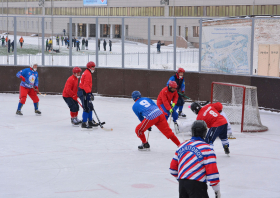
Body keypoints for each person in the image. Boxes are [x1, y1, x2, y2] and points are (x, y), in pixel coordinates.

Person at [169, 120, 221, 198]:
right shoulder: (207, 148)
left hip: (182, 185)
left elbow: (173, 169)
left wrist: (183, 180)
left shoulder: (182, 146)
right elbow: (212, 173)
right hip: (198, 186)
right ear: (204, 132)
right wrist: (217, 190)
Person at [78, 61, 99, 129]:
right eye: (92, 67)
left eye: (94, 67)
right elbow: (85, 85)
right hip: (83, 92)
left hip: (85, 91)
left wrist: (90, 93)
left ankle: (90, 121)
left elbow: (88, 85)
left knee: (90, 106)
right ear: (89, 67)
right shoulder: (87, 74)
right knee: (86, 107)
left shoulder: (88, 73)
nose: (94, 68)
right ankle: (84, 123)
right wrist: (88, 93)